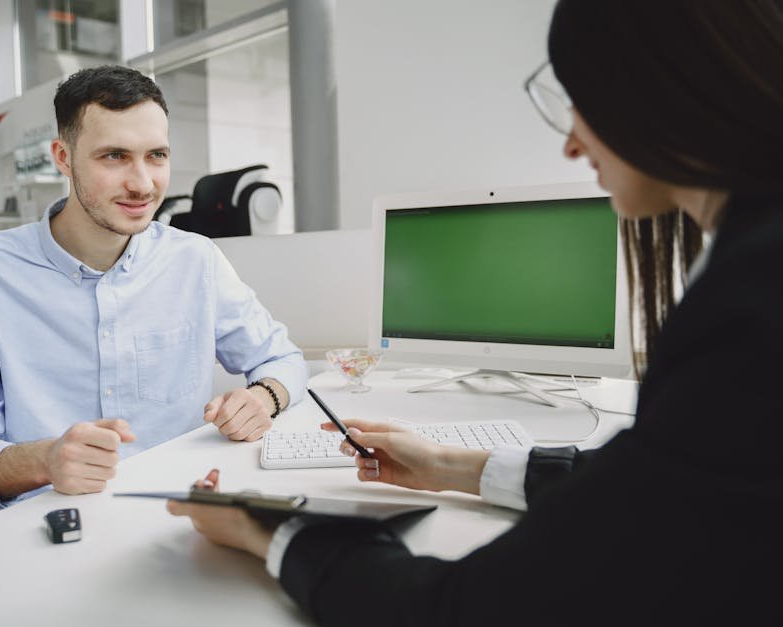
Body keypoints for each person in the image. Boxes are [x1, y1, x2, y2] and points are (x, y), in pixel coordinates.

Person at [167, 1, 783, 623]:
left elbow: (464, 608)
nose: (572, 144)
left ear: (664, 88)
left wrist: (269, 532)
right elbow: (660, 494)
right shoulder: (752, 271)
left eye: (582, 101)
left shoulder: (746, 309)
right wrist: (456, 465)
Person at [0, 65, 307, 529]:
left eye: (156, 155)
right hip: (31, 529)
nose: (142, 183)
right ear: (63, 156)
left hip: (165, 522)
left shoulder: (195, 261)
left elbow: (282, 358)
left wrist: (265, 398)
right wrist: (47, 460)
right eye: (114, 156)